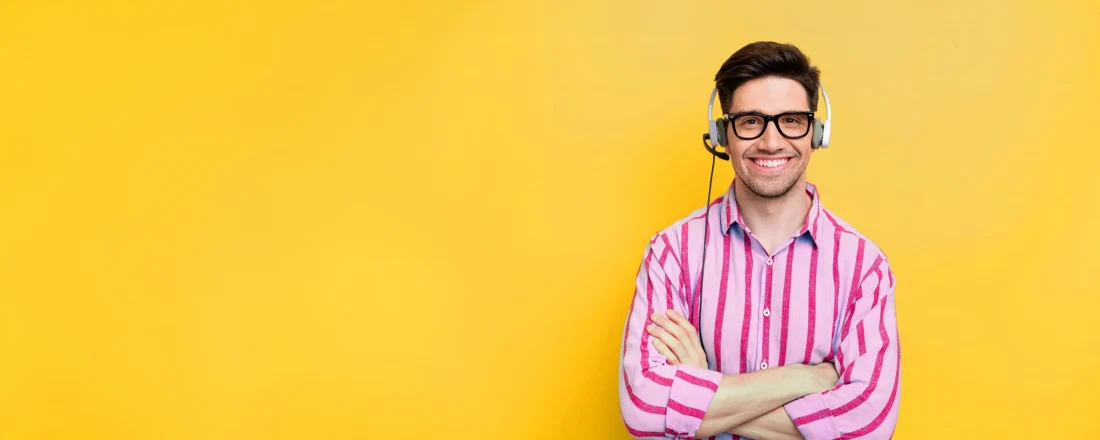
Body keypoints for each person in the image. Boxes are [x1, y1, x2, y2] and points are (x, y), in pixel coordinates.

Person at [617, 41, 901, 439]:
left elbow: (868, 427)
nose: (771, 142)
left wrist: (704, 388)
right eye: (750, 121)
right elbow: (644, 409)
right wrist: (805, 378)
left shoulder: (863, 266)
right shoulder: (672, 253)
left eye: (791, 120)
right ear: (722, 133)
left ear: (817, 133)